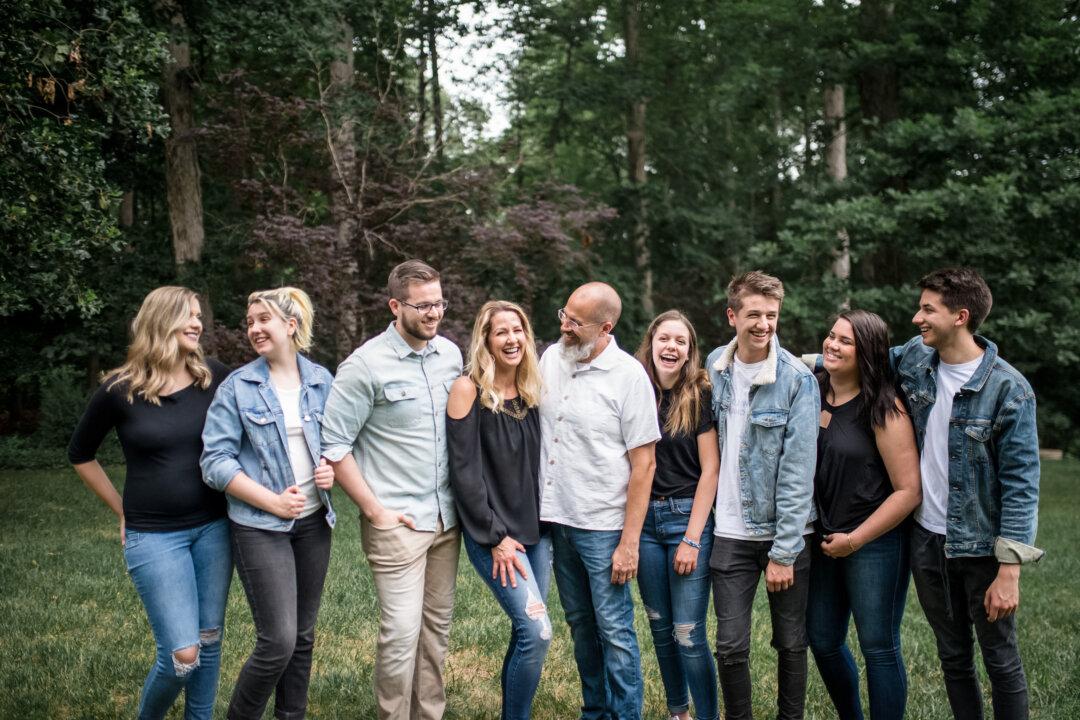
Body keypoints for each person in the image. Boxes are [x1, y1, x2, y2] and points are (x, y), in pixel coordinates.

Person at [68, 286, 231, 720]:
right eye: (188, 315)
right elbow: (80, 453)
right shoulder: (119, 389)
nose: (198, 323)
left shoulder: (212, 376)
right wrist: (122, 508)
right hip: (154, 535)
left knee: (210, 640)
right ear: (161, 321)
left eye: (199, 315)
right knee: (182, 654)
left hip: (215, 528)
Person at [321, 260, 463, 720]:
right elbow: (335, 446)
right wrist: (374, 510)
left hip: (447, 519)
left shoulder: (451, 356)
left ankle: (429, 715)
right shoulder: (364, 366)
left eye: (439, 303)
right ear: (395, 305)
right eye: (423, 306)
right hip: (397, 521)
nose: (434, 313)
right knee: (401, 635)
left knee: (435, 631)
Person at [899, 268, 1043, 720]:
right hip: (927, 539)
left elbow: (1022, 484)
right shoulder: (914, 360)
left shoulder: (1008, 389)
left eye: (928, 309)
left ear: (960, 316)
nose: (916, 318)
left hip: (981, 548)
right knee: (953, 656)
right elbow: (852, 357)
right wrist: (781, 360)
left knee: (1000, 659)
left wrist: (1010, 570)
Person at [201, 287, 336, 720]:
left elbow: (336, 444)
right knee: (277, 639)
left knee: (302, 636)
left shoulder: (320, 380)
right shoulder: (238, 387)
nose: (254, 329)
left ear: (291, 326)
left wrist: (330, 468)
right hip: (259, 524)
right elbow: (214, 462)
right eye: (250, 321)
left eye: (263, 320)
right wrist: (273, 502)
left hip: (314, 522)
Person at [538, 281, 660, 720]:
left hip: (604, 527)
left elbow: (644, 465)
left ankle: (625, 714)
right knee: (581, 627)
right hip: (557, 520)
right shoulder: (552, 358)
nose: (565, 326)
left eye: (576, 322)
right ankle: (595, 711)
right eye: (563, 315)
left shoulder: (629, 377)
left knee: (615, 631)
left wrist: (629, 543)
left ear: (605, 327)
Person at [705, 270, 817, 720]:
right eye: (754, 314)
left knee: (791, 643)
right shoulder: (716, 366)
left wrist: (785, 552)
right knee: (730, 645)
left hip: (783, 534)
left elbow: (798, 471)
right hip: (729, 533)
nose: (763, 324)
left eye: (771, 315)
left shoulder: (795, 380)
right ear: (733, 315)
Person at [806, 310, 921, 720]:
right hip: (821, 538)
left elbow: (909, 491)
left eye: (845, 341)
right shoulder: (812, 390)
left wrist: (855, 539)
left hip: (875, 543)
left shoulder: (884, 406)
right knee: (821, 638)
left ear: (867, 351)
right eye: (831, 335)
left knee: (878, 645)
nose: (832, 345)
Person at [447, 300, 550, 720]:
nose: (511, 339)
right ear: (486, 340)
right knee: (537, 631)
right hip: (494, 535)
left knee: (524, 634)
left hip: (537, 534)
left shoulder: (531, 392)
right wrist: (495, 539)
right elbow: (464, 474)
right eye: (501, 331)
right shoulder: (468, 389)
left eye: (518, 330)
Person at [633, 310, 719, 720]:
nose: (671, 347)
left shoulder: (699, 393)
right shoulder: (634, 390)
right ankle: (677, 712)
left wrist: (692, 538)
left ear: (689, 352)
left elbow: (711, 471)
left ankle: (706, 714)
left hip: (687, 518)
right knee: (660, 628)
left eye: (680, 341)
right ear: (651, 343)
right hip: (644, 522)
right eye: (664, 338)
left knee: (688, 632)